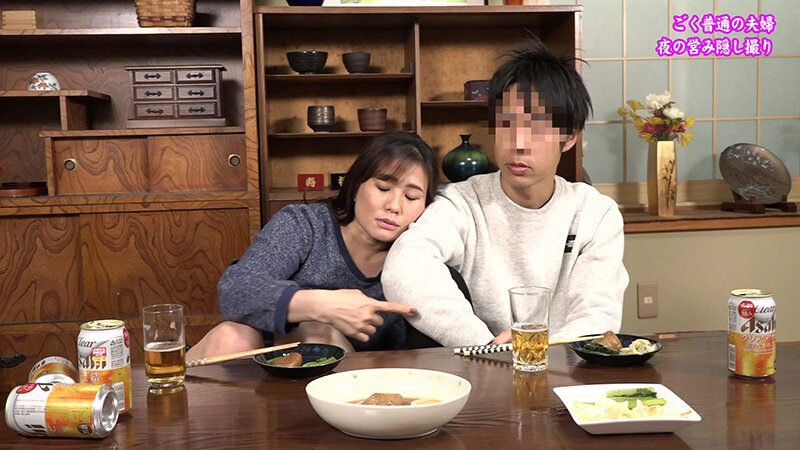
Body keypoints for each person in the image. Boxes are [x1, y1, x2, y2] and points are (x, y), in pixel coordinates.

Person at [382, 37, 629, 347]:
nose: (517, 143)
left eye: (536, 127)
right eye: (506, 124)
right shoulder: (461, 203)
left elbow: (597, 315)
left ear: (569, 138)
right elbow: (405, 267)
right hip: (478, 363)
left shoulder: (595, 213)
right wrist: (487, 347)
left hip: (566, 365)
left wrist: (535, 351)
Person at [186, 132, 439, 360]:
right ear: (354, 186)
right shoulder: (305, 225)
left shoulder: (420, 256)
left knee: (320, 337)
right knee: (234, 337)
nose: (394, 206)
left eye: (411, 197)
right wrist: (322, 306)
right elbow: (234, 290)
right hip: (259, 365)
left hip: (352, 381)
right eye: (383, 188)